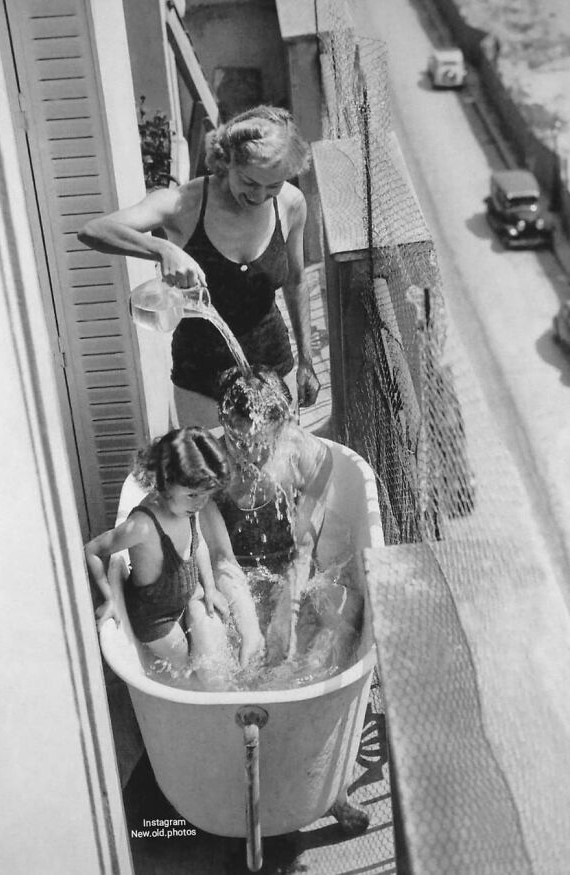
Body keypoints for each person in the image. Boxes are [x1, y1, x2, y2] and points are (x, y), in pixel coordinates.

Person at [78, 104, 320, 428]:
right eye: (249, 182)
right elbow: (93, 231)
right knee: (214, 474)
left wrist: (306, 360)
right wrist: (161, 248)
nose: (260, 195)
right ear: (226, 160)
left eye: (272, 185)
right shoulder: (184, 204)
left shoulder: (291, 204)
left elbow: (296, 282)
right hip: (201, 375)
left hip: (272, 363)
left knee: (283, 471)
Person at [84, 427, 257, 687]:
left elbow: (197, 544)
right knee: (184, 667)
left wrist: (209, 587)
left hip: (182, 595)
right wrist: (109, 599)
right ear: (166, 482)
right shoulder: (143, 525)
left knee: (216, 655)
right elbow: (93, 550)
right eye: (193, 495)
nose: (200, 503)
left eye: (207, 495)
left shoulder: (185, 506)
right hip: (156, 620)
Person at [206, 366, 334, 662]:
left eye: (263, 444)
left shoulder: (310, 456)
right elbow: (220, 558)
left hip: (290, 569)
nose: (250, 455)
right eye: (239, 443)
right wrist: (250, 627)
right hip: (232, 579)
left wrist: (287, 610)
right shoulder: (209, 465)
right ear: (222, 423)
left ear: (285, 425)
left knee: (345, 612)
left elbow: (304, 550)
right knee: (213, 641)